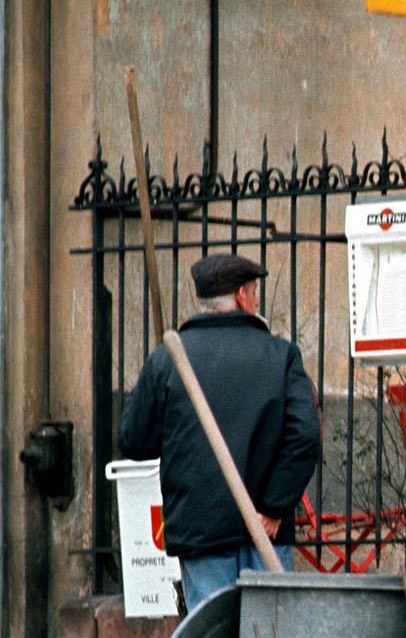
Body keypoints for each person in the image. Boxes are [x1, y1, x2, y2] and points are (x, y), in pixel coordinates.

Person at [118, 253, 322, 611]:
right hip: (265, 531)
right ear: (242, 296)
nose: (257, 301)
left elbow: (135, 441)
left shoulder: (167, 359)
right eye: (255, 292)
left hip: (201, 533)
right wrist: (273, 507)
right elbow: (304, 437)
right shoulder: (281, 356)